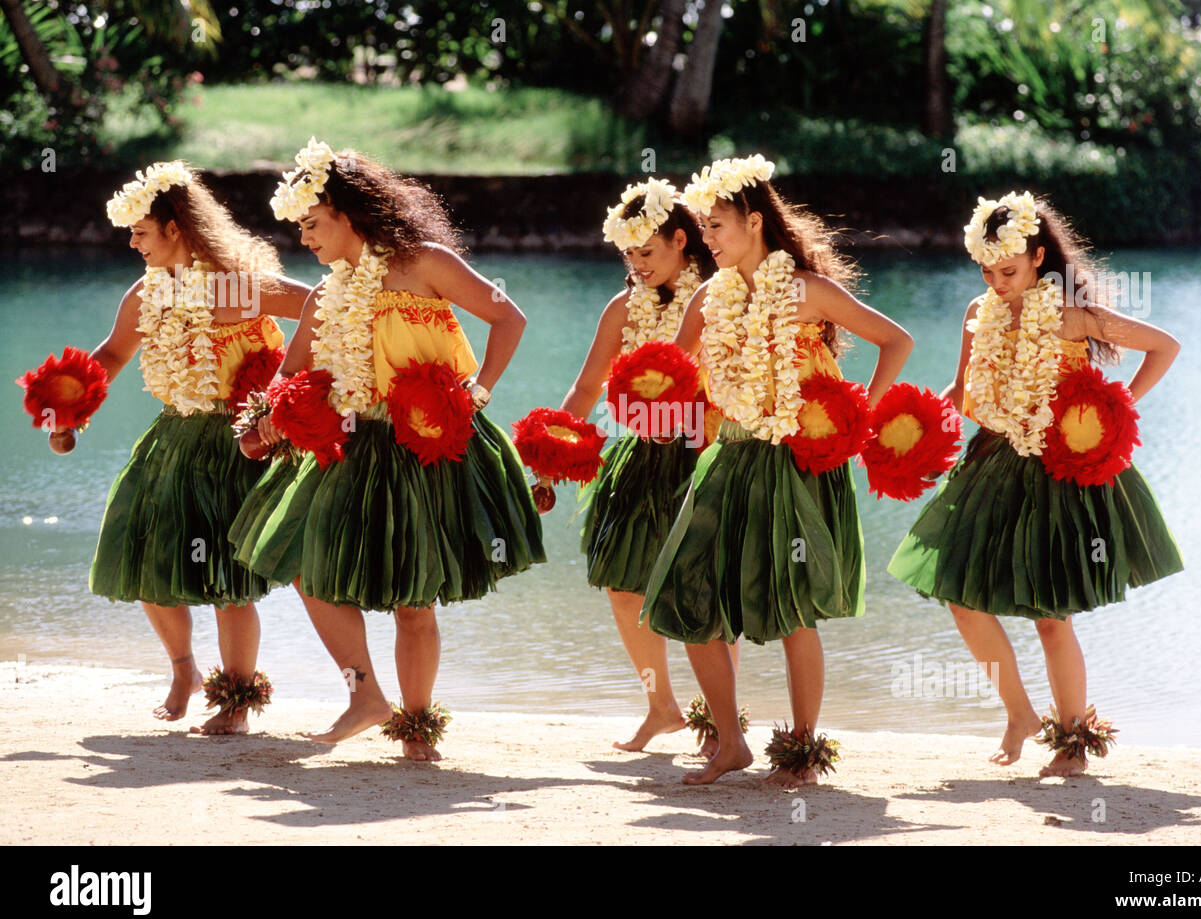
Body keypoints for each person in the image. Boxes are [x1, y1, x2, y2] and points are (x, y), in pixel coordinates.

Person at [229, 139, 545, 761]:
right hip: (354, 446)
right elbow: (286, 378)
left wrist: (476, 394)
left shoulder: (424, 261)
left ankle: (417, 727)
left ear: (349, 214)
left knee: (413, 599)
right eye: (300, 229)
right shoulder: (325, 295)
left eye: (313, 225)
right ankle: (366, 695)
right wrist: (259, 425)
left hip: (429, 442)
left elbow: (509, 318)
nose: (307, 241)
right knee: (299, 562)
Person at [887, 191, 1183, 777]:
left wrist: (1111, 416)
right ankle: (1019, 714)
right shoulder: (977, 313)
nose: (996, 282)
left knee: (1052, 616)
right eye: (986, 270)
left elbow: (1163, 345)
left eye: (1009, 270)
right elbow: (961, 390)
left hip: (1058, 471)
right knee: (961, 599)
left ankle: (1072, 742)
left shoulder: (1071, 315)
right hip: (992, 464)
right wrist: (917, 436)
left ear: (1039, 257)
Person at [642, 155, 914, 786]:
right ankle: (731, 742)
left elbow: (894, 340)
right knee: (686, 594)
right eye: (702, 229)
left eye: (716, 227)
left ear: (755, 221)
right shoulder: (711, 295)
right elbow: (671, 367)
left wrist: (858, 415)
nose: (706, 240)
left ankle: (801, 749)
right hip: (731, 455)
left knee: (793, 608)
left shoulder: (806, 290)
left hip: (796, 461)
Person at [58, 161, 309, 733]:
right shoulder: (147, 293)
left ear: (176, 228)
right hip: (172, 438)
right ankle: (184, 669)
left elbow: (323, 309)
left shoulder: (239, 286)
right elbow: (115, 355)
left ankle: (238, 701)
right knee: (145, 557)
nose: (132, 242)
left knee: (227, 580)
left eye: (141, 231)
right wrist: (69, 406)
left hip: (239, 441)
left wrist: (285, 390)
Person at [538, 178, 728, 751]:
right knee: (624, 588)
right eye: (629, 255)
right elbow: (589, 384)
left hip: (704, 452)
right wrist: (551, 453)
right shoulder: (624, 307)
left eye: (648, 252)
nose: (637, 264)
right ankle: (661, 706)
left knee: (701, 591)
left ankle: (719, 717)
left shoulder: (722, 297)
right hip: (640, 454)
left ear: (680, 241)